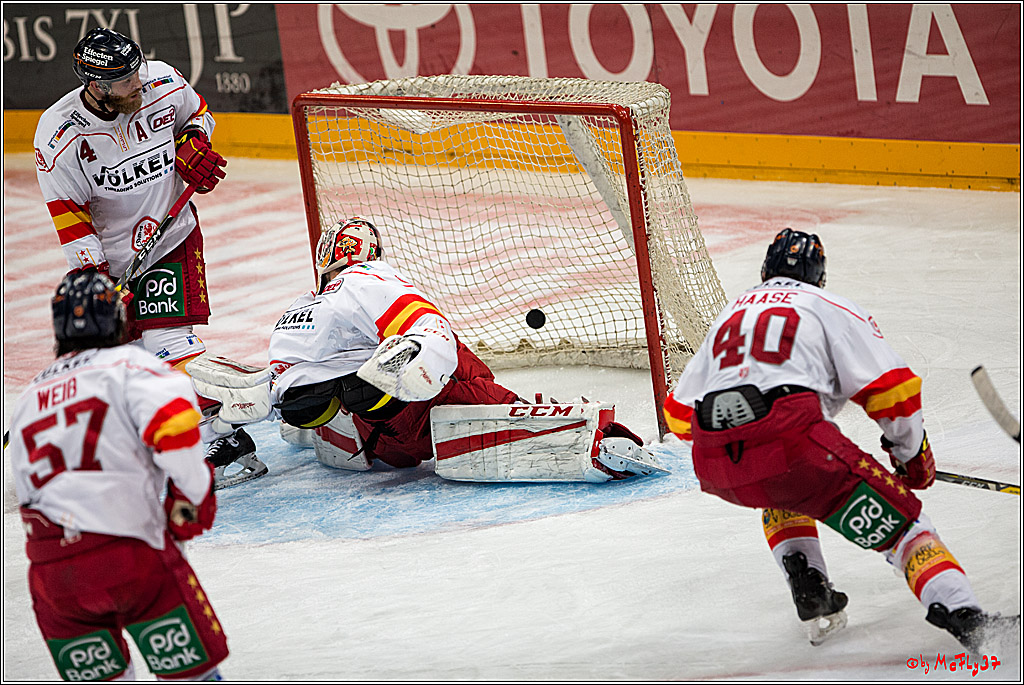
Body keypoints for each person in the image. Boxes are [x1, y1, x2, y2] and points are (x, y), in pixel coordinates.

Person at [663, 228, 1018, 649]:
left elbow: (678, 415)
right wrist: (912, 459)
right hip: (793, 440)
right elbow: (893, 390)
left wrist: (744, 439)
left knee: (783, 489)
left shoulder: (730, 313)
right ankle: (970, 619)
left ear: (764, 271)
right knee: (904, 526)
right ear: (819, 276)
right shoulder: (829, 306)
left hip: (716, 462)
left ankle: (811, 586)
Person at [267, 217, 668, 482]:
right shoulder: (366, 278)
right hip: (416, 407)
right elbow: (427, 328)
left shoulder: (301, 306)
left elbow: (283, 384)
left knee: (342, 392)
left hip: (379, 443)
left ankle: (336, 426)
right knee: (463, 369)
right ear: (369, 253)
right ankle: (594, 438)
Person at [33, 27, 263, 487]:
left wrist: (193, 142)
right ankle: (168, 433)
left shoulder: (161, 82)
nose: (137, 83)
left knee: (169, 349)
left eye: (136, 70)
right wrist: (96, 281)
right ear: (95, 85)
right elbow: (70, 216)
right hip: (113, 260)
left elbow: (197, 115)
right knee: (130, 362)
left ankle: (230, 433)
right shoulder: (59, 135)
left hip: (172, 240)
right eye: (123, 80)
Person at [7, 270, 228, 681]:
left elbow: (25, 489)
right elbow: (182, 451)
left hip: (55, 579)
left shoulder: (25, 401)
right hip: (130, 560)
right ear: (119, 319)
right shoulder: (136, 368)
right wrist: (190, 507)